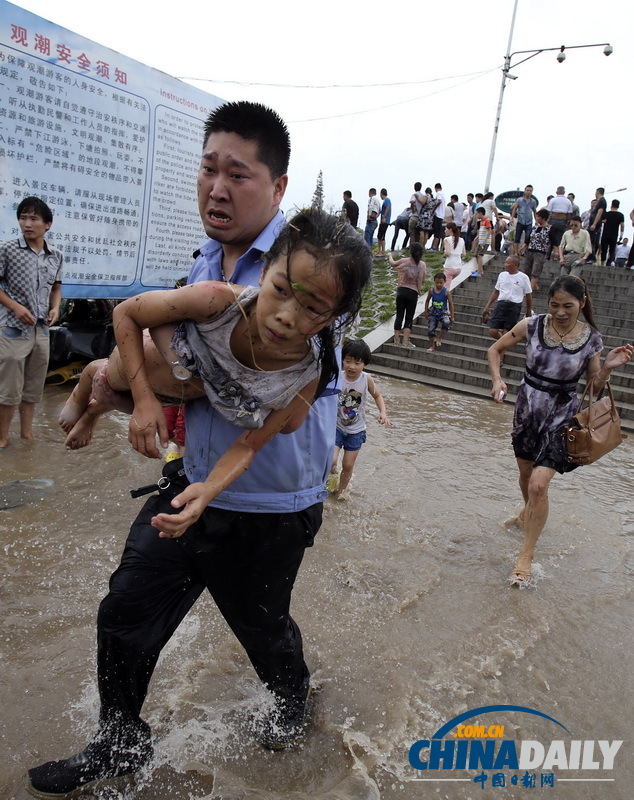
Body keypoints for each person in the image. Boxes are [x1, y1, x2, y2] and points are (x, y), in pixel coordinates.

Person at [24, 101, 368, 799]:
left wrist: (177, 381)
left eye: (237, 174)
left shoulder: (311, 274)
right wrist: (142, 394)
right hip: (188, 478)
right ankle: (120, 741)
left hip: (267, 504)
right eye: (208, 169)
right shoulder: (206, 265)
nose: (216, 187)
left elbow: (275, 400)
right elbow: (157, 340)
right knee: (125, 611)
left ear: (277, 185)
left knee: (262, 630)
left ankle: (293, 701)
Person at [58, 211, 370, 454]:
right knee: (105, 375)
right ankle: (81, 394)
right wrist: (148, 392)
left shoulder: (310, 364)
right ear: (264, 274)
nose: (287, 317)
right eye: (280, 290)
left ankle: (95, 411)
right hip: (147, 362)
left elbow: (288, 424)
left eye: (312, 308)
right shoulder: (222, 299)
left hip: (179, 393)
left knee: (125, 401)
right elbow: (130, 313)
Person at [488, 275, 633, 585]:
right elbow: (495, 349)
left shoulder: (591, 339)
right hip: (528, 412)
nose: (560, 312)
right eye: (554, 305)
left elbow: (594, 386)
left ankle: (526, 556)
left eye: (568, 306)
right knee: (526, 476)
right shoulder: (532, 325)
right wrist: (497, 379)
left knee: (539, 485)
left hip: (562, 418)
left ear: (582, 303)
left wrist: (607, 368)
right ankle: (527, 514)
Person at [0, 197, 63, 450]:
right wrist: (15, 307)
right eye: (23, 218)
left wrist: (55, 308)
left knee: (34, 386)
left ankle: (27, 434)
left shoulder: (56, 255)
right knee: (9, 387)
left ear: (47, 224)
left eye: (33, 219)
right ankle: (3, 437)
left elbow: (56, 288)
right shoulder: (7, 249)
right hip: (13, 328)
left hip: (41, 329)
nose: (27, 223)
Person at [327, 339, 392, 500]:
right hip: (337, 426)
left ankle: (341, 492)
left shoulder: (366, 379)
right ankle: (332, 475)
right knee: (331, 460)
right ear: (342, 360)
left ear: (365, 364)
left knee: (348, 465)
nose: (351, 366)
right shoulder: (338, 377)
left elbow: (377, 395)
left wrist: (383, 412)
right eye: (348, 361)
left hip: (356, 430)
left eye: (357, 363)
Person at [482, 255, 532, 340]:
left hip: (514, 306)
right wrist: (488, 306)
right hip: (501, 304)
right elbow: (496, 291)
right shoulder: (502, 275)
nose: (505, 265)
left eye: (508, 263)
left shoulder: (523, 277)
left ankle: (503, 346)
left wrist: (528, 310)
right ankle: (503, 344)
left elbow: (528, 295)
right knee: (493, 331)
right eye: (505, 262)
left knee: (507, 333)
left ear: (516, 265)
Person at [388, 242, 426, 347]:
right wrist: (419, 290)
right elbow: (422, 279)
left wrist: (390, 255)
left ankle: (396, 339)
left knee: (399, 315)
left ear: (410, 251)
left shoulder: (404, 261)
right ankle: (405, 341)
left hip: (401, 291)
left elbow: (393, 263)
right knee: (409, 317)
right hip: (413, 293)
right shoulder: (422, 265)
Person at [521, 209, 558, 291]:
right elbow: (529, 238)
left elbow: (554, 241)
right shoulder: (535, 227)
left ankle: (530, 290)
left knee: (536, 270)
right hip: (530, 250)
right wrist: (524, 246)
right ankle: (530, 286)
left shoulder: (549, 228)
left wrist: (556, 251)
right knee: (527, 269)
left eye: (538, 217)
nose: (537, 218)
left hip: (541, 252)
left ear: (544, 218)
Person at [424, 272, 454, 352]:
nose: (439, 285)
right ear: (434, 281)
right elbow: (427, 301)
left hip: (443, 312)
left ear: (444, 282)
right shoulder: (432, 291)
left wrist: (452, 316)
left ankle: (439, 337)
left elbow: (450, 303)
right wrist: (426, 311)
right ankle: (432, 346)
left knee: (446, 322)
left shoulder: (446, 292)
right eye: (437, 283)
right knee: (430, 329)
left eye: (441, 283)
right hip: (434, 312)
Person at [546, 187, 573, 262]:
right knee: (559, 240)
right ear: (564, 192)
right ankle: (557, 255)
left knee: (550, 238)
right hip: (562, 220)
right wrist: (567, 222)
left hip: (553, 220)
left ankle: (548, 255)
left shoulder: (553, 200)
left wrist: (547, 222)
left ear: (557, 192)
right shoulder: (568, 201)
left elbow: (549, 212)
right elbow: (569, 214)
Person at [510, 185, 537, 255]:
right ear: (525, 191)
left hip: (529, 222)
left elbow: (534, 211)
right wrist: (512, 218)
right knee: (517, 238)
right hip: (520, 221)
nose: (529, 192)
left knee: (528, 237)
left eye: (530, 191)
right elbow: (515, 209)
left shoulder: (533, 201)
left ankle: (523, 251)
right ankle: (516, 253)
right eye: (527, 190)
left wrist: (536, 220)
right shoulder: (519, 200)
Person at [600, 199, 625, 267]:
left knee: (604, 249)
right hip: (614, 234)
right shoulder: (620, 215)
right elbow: (622, 225)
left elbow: (603, 221)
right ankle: (609, 262)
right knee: (612, 250)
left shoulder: (607, 214)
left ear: (611, 205)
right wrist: (621, 235)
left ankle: (602, 263)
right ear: (618, 206)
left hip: (605, 233)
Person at [442, 222, 466, 290]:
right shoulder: (461, 240)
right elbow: (464, 254)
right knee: (448, 284)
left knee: (446, 287)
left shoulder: (447, 239)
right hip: (458, 267)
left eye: (446, 229)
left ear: (450, 229)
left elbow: (448, 253)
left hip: (450, 266)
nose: (445, 231)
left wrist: (444, 254)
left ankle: (446, 297)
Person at [473, 207, 493, 276]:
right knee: (476, 255)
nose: (476, 215)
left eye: (477, 214)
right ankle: (480, 270)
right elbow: (481, 231)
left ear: (481, 213)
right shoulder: (481, 221)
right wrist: (477, 237)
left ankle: (479, 272)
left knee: (480, 255)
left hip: (485, 241)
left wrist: (485, 240)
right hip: (481, 241)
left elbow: (490, 230)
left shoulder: (487, 220)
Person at [376, 188, 392, 257]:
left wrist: (384, 217)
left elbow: (388, 208)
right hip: (383, 221)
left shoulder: (387, 200)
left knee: (382, 236)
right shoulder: (385, 200)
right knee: (379, 236)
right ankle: (379, 250)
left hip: (385, 221)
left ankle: (382, 252)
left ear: (381, 194)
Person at [430, 182, 446, 250]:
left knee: (436, 232)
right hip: (441, 215)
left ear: (436, 188)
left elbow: (439, 201)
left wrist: (434, 208)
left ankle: (434, 247)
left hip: (437, 214)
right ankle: (434, 246)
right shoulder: (443, 194)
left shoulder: (438, 193)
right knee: (438, 231)